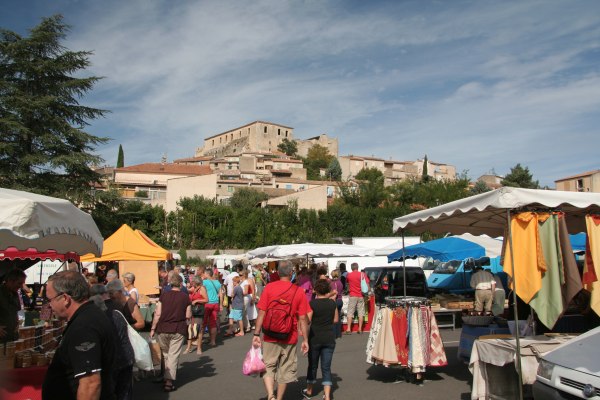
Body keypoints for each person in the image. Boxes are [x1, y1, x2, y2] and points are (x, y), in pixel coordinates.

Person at [42, 270, 117, 400]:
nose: (49, 305)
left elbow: (90, 384)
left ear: (65, 298)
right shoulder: (90, 316)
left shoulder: (84, 327)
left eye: (50, 300)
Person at [252, 260, 310, 400]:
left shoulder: (269, 288)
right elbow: (303, 318)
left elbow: (262, 313)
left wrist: (256, 333)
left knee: (268, 366)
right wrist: (305, 340)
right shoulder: (298, 291)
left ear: (278, 272)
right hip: (289, 336)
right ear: (291, 273)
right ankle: (279, 398)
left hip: (270, 335)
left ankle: (270, 394)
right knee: (285, 369)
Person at [90, 284, 134, 400]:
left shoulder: (96, 311)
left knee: (110, 392)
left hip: (112, 358)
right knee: (124, 392)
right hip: (126, 354)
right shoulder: (118, 306)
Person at [150, 273, 191, 392]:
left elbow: (157, 314)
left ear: (170, 283)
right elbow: (188, 315)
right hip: (178, 328)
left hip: (163, 328)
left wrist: (153, 328)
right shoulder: (185, 297)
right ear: (181, 284)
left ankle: (165, 376)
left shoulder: (164, 296)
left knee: (166, 354)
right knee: (173, 355)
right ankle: (168, 381)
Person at [302, 279, 339, 400]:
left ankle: (309, 390)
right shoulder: (332, 303)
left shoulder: (312, 304)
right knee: (326, 367)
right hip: (329, 338)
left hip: (315, 337)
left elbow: (307, 321)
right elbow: (335, 320)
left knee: (312, 365)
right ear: (328, 290)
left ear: (316, 290)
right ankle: (327, 395)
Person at [0, 268, 26, 342]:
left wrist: (17, 322)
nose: (21, 286)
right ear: (10, 281)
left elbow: (16, 311)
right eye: (19, 283)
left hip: (12, 338)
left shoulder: (15, 294)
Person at [345, 263, 369, 334]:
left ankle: (349, 329)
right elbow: (367, 284)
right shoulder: (362, 274)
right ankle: (360, 329)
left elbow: (347, 284)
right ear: (357, 267)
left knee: (350, 312)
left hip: (352, 295)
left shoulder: (349, 275)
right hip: (361, 295)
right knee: (361, 312)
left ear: (351, 268)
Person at [186, 276, 207, 354]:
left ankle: (199, 348)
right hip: (191, 310)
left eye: (192, 282)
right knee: (189, 329)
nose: (191, 283)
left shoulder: (202, 289)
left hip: (198, 311)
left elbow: (206, 299)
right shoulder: (193, 288)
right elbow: (187, 291)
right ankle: (188, 347)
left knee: (199, 329)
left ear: (196, 282)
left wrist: (197, 300)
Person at [202, 268, 223, 347]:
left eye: (204, 273)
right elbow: (221, 294)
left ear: (207, 274)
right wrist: (220, 304)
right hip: (215, 303)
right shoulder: (217, 282)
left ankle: (200, 339)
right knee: (213, 322)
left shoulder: (205, 282)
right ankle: (213, 341)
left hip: (207, 303)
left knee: (204, 322)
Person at [330, 270, 344, 339]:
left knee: (334, 318)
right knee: (338, 317)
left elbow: (334, 293)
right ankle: (339, 334)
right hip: (340, 300)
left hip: (335, 300)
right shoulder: (340, 282)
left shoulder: (333, 283)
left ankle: (334, 334)